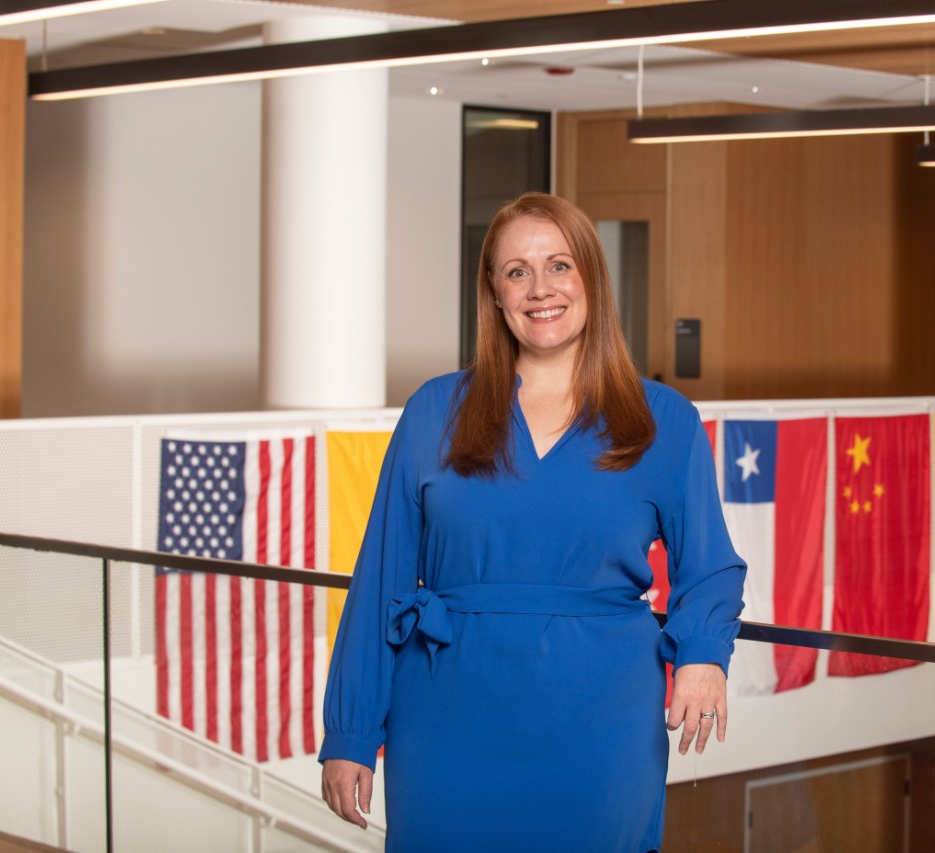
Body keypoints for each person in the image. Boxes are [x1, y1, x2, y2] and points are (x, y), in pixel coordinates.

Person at [318, 191, 747, 852]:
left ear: (591, 280)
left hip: (604, 722)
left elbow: (711, 567)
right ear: (493, 291)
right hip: (447, 715)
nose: (539, 288)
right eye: (516, 270)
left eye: (559, 265)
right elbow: (379, 581)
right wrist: (349, 732)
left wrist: (702, 653)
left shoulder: (663, 419)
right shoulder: (435, 410)